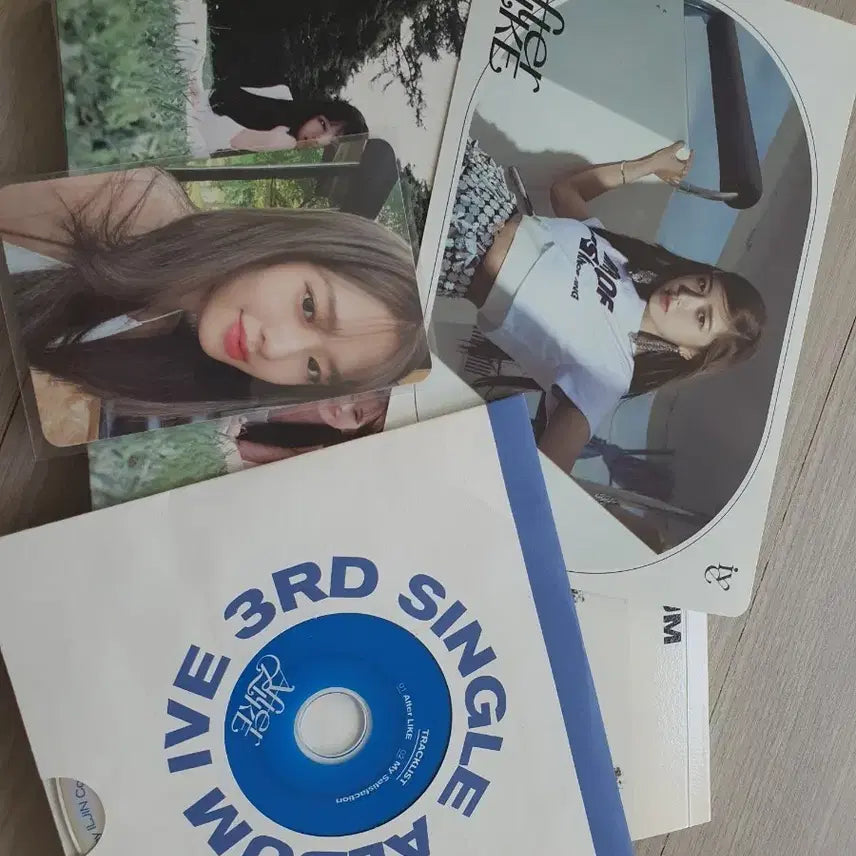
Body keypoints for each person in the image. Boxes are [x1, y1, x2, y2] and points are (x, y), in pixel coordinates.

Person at [0, 167, 426, 445]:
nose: (277, 348)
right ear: (291, 245)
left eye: (314, 368)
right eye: (309, 306)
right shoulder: (135, 203)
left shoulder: (165, 357)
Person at [438, 138, 766, 474]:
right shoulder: (623, 260)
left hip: (452, 247)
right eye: (702, 285)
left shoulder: (609, 376)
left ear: (690, 352)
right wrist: (649, 166)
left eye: (701, 318)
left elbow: (549, 475)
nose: (686, 297)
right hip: (475, 179)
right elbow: (565, 192)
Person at [189, 81, 369, 156]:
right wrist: (271, 140)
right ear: (315, 113)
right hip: (193, 117)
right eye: (323, 124)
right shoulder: (281, 95)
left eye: (333, 144)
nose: (320, 139)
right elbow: (219, 96)